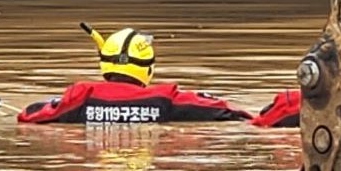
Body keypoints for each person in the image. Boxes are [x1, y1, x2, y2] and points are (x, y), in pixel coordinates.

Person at [18, 24, 251, 125]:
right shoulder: (167, 98)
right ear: (148, 66)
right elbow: (229, 114)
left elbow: (30, 115)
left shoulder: (79, 98)